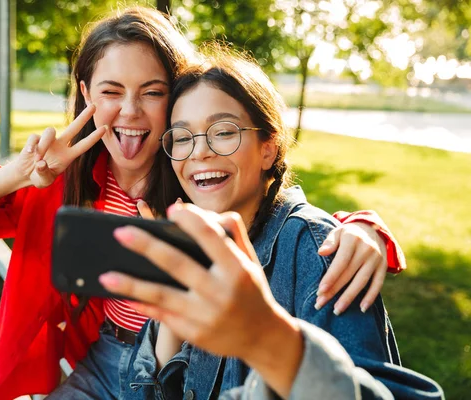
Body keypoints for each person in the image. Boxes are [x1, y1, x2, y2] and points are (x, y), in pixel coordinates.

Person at [0, 7, 404, 400]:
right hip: (104, 358)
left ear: (175, 97)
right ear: (85, 93)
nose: (129, 111)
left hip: (185, 363)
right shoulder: (61, 182)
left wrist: (362, 227)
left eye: (152, 93)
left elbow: (270, 215)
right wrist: (19, 174)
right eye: (110, 92)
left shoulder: (189, 174)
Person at [99, 50, 443, 399]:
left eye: (222, 131)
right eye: (183, 137)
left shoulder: (320, 251)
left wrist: (269, 338)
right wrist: (170, 318)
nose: (199, 152)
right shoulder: (198, 245)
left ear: (269, 148)